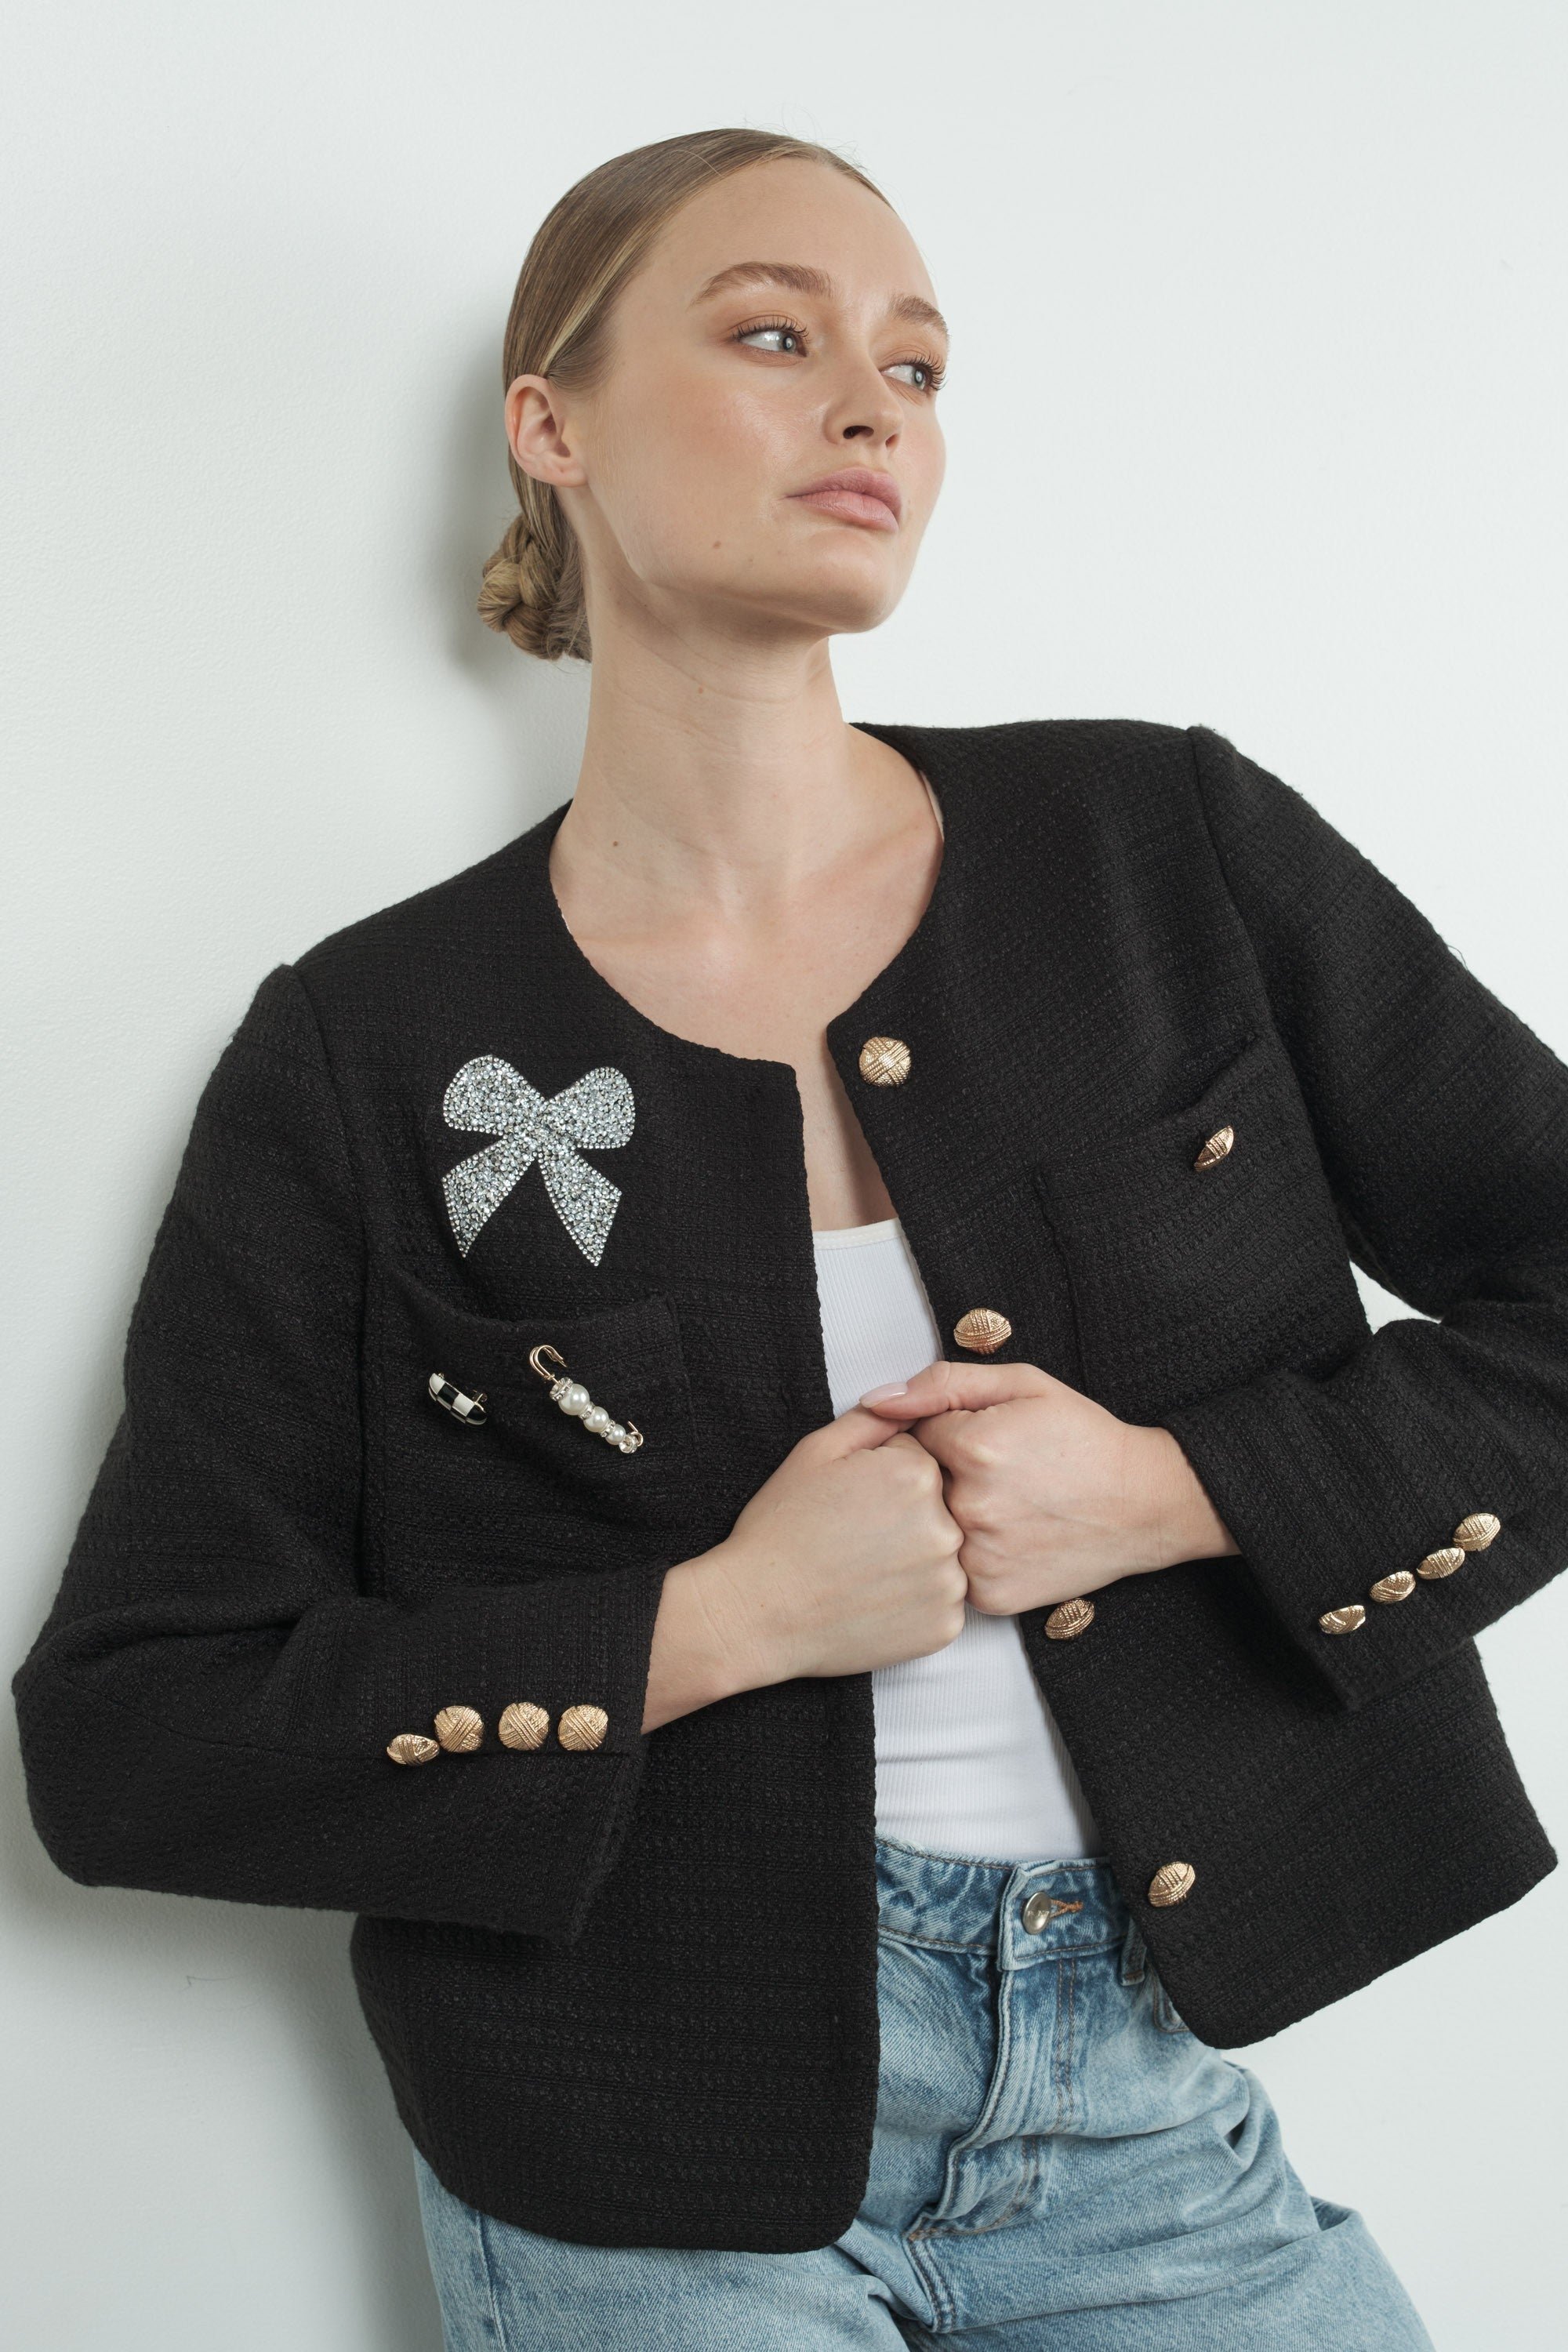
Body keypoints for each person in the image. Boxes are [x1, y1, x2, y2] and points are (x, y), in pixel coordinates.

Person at [16, 125, 1568, 2352]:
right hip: (638, 2161)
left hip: (1147, 2103)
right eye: (773, 336)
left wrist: (1172, 1489)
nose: (873, 409)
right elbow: (134, 1731)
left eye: (916, 367)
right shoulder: (367, 1045)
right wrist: (726, 1620)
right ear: (551, 425)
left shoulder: (1159, 846)